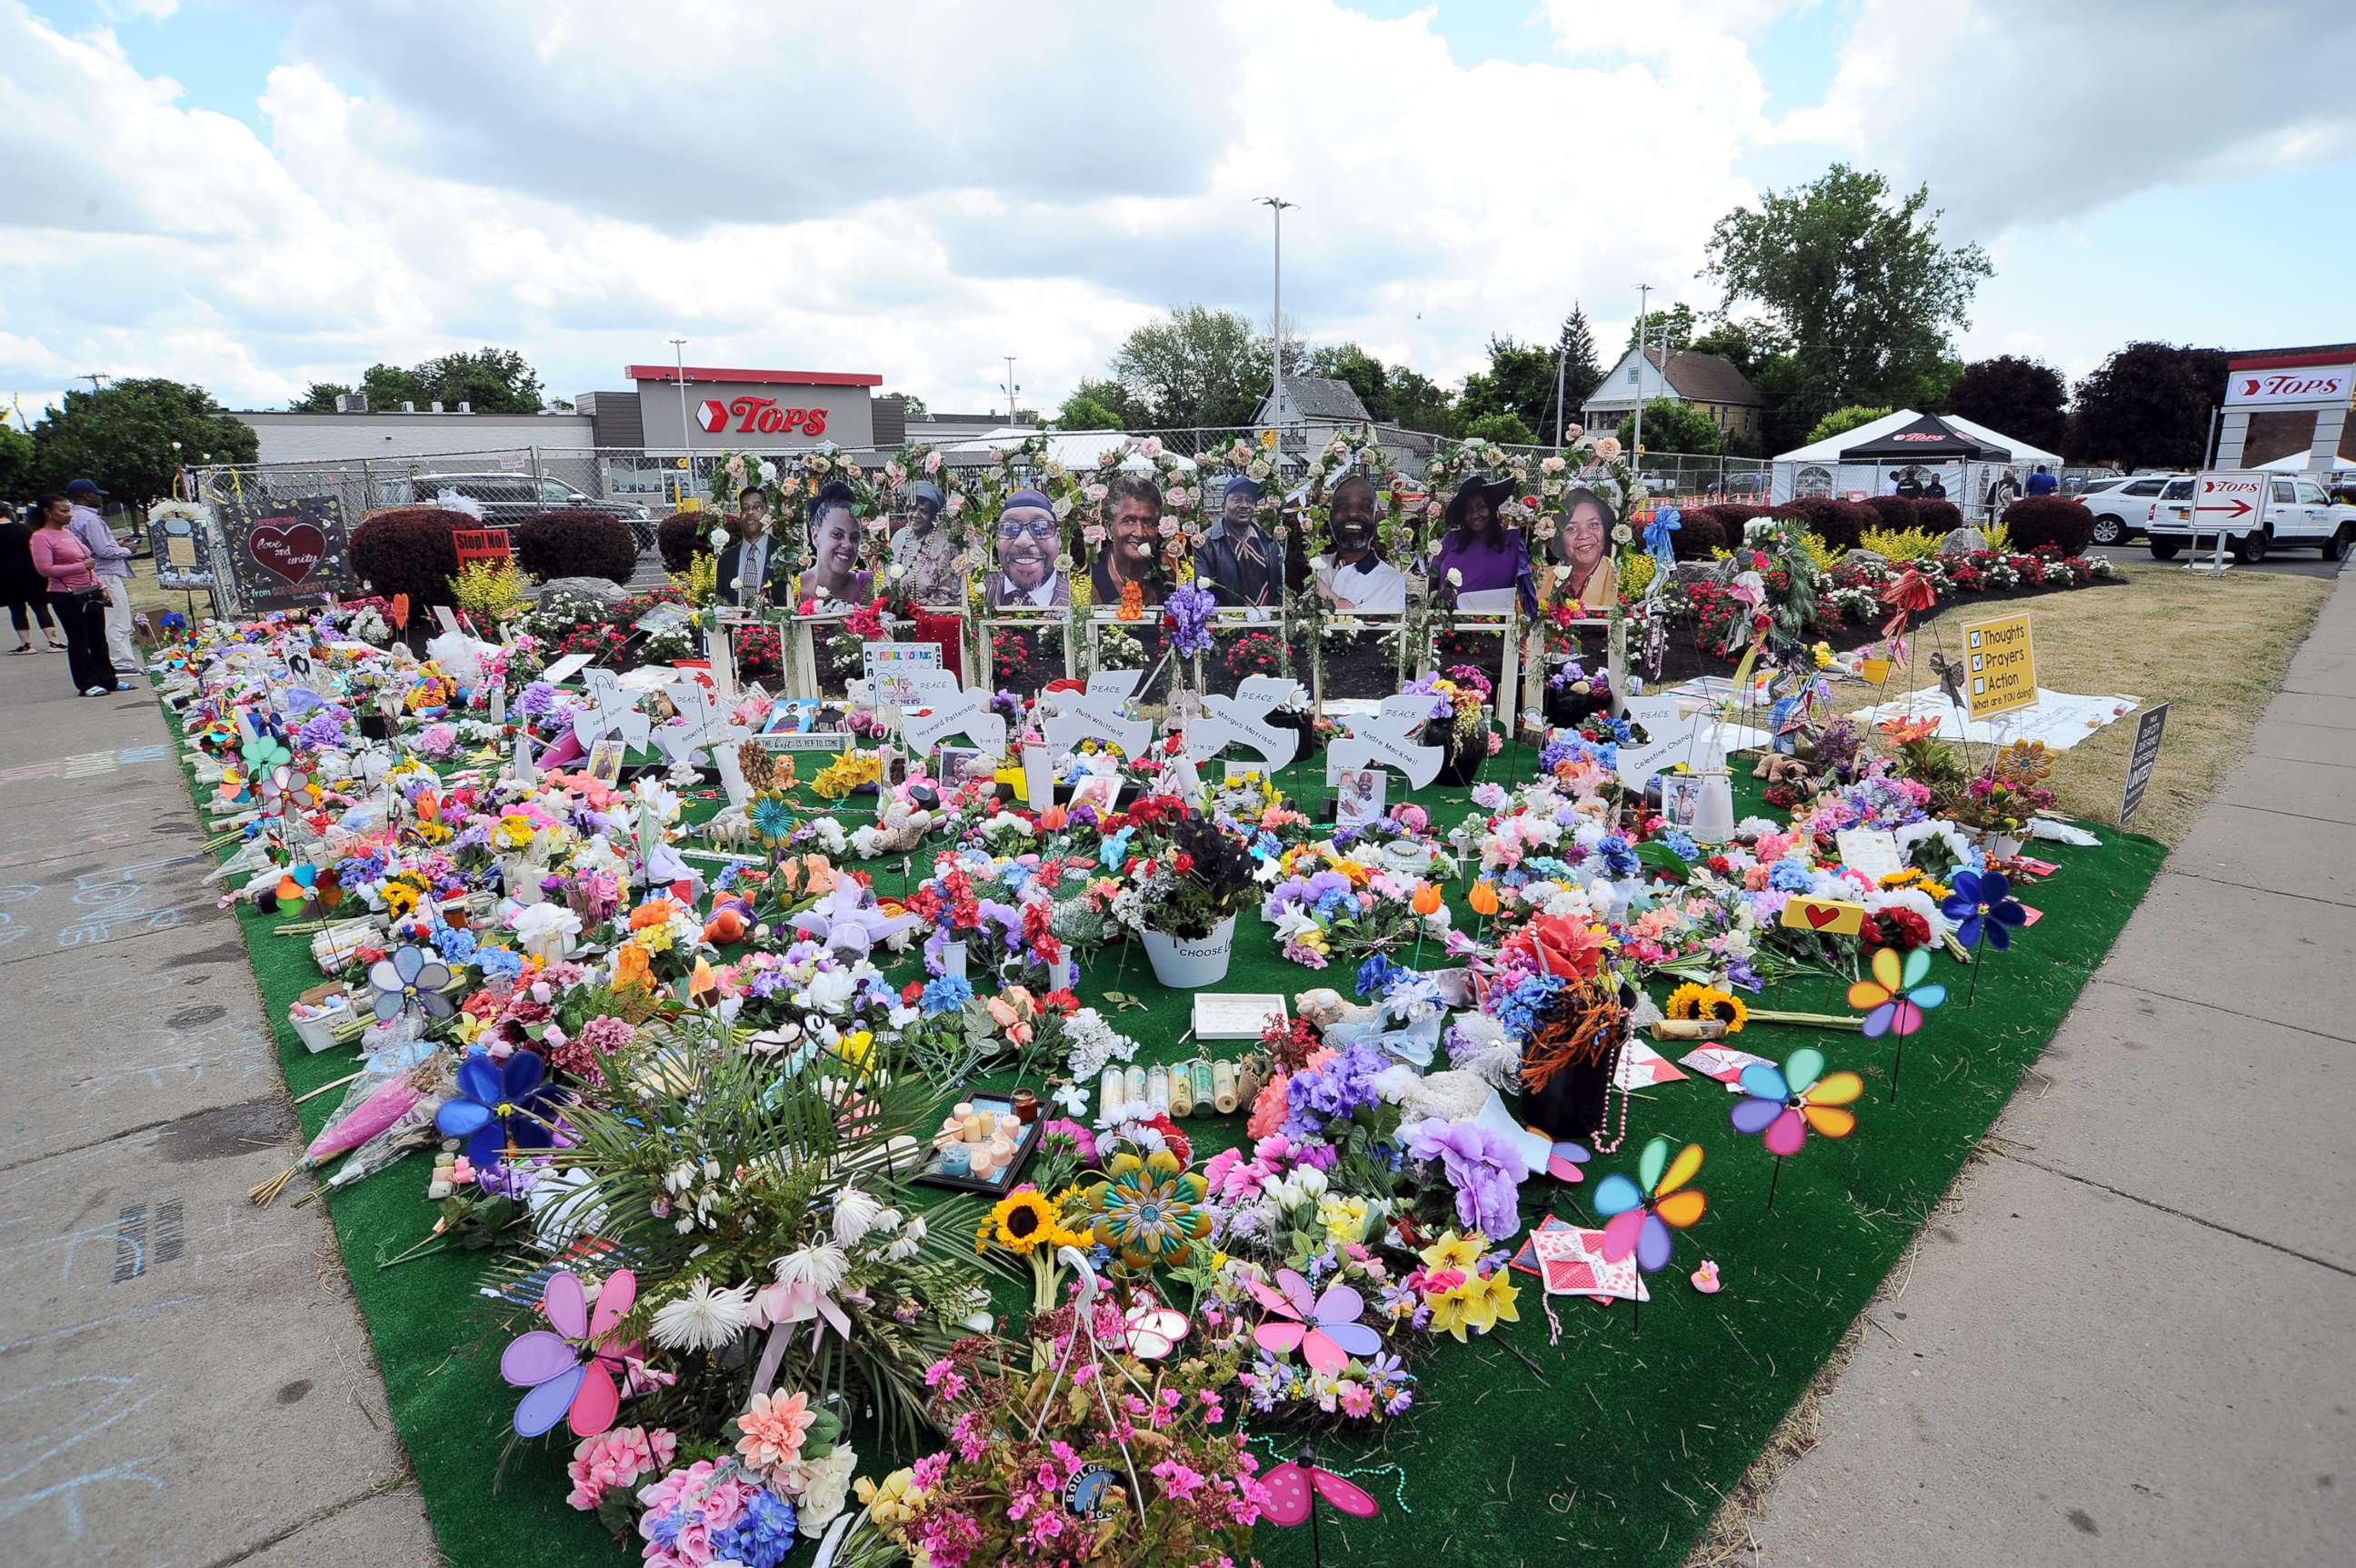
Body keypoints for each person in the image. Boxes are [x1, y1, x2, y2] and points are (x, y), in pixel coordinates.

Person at [29, 494, 116, 695]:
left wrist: (99, 584)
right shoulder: (41, 537)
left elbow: (88, 562)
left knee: (98, 637)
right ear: (48, 513)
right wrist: (80, 566)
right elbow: (45, 569)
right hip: (66, 594)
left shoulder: (67, 533)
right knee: (79, 639)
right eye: (63, 511)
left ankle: (108, 678)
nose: (69, 515)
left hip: (90, 590)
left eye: (69, 510)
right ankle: (87, 683)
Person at [65, 479, 136, 681]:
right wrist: (126, 550)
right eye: (96, 494)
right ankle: (121, 661)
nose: (100, 499)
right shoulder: (89, 519)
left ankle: (112, 660)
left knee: (105, 620)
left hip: (93, 574)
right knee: (118, 619)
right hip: (105, 572)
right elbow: (103, 551)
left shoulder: (73, 517)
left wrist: (115, 543)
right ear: (86, 495)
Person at [1311, 472, 1406, 612]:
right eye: (1343, 506)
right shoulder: (1315, 566)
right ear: (1330, 517)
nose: (1353, 513)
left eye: (1365, 507)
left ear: (1376, 518)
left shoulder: (1390, 580)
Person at [1429, 473, 1529, 601]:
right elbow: (1433, 579)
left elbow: (1527, 582)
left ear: (1492, 508)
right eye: (1468, 510)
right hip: (1449, 617)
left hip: (1496, 618)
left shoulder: (1512, 541)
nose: (1475, 515)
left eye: (1481, 507)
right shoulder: (1451, 540)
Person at [1193, 475, 1284, 608]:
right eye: (1237, 500)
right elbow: (1204, 592)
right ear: (1224, 505)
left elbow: (1278, 587)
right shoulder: (1206, 544)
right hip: (1226, 624)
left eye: (1250, 501)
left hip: (1267, 623)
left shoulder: (1269, 543)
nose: (1244, 506)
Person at [1088, 473, 1167, 608]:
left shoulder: (1170, 571)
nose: (1140, 532)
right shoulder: (1090, 578)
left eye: (1148, 523)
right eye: (1129, 521)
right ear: (1109, 528)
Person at [984, 488, 1069, 608]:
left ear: (1058, 538)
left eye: (1040, 528)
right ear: (997, 539)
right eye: (1009, 528)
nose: (1024, 541)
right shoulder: (978, 592)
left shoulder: (1079, 597)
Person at [1, 500, 67, 654]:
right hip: (31, 572)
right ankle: (54, 641)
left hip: (6, 575)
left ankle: (26, 644)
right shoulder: (24, 529)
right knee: (40, 606)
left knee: (16, 608)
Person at [714, 484, 791, 608]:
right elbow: (720, 604)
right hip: (735, 626)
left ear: (767, 512)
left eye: (757, 507)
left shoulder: (784, 554)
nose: (750, 512)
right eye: (745, 508)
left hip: (775, 626)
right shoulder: (726, 560)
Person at [887, 481, 962, 606]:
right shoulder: (899, 537)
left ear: (932, 515)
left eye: (923, 511)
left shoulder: (945, 542)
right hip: (898, 613)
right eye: (912, 509)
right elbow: (887, 579)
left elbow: (949, 593)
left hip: (934, 617)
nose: (916, 515)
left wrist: (914, 609)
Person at [799, 481, 872, 607]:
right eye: (837, 535)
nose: (847, 545)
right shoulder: (794, 589)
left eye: (854, 538)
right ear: (815, 536)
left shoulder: (869, 585)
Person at [1550, 486, 1619, 610]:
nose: (1584, 536)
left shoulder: (1618, 579)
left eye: (1593, 525)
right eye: (1571, 528)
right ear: (1559, 536)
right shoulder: (1543, 578)